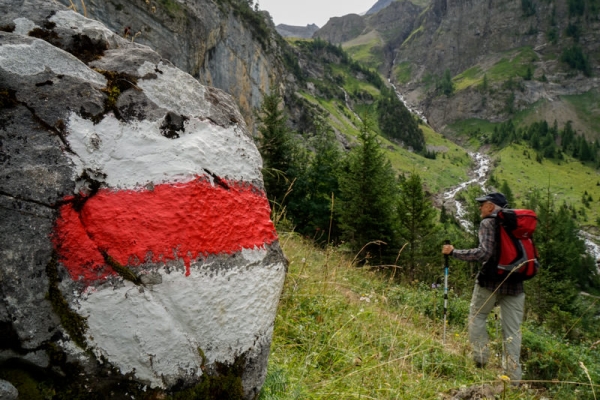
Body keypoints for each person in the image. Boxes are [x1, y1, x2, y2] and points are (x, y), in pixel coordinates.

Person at [442, 192, 525, 383]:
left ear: (490, 206)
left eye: (482, 204)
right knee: (512, 331)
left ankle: (480, 359)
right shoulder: (517, 223)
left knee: (477, 315)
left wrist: (455, 252)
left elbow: (484, 253)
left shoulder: (488, 222)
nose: (480, 208)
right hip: (516, 283)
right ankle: (513, 379)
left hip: (490, 281)